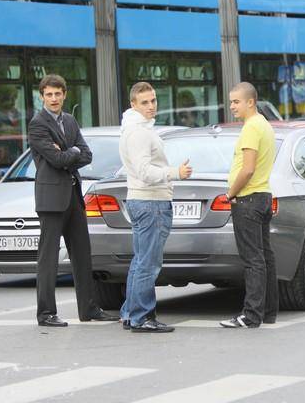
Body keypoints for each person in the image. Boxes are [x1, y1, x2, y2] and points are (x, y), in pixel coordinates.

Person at [28, 74, 116, 327]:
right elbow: (55, 161)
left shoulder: (69, 120)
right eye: (49, 94)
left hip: (74, 195)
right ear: (42, 96)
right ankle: (46, 313)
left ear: (64, 95)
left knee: (82, 254)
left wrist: (69, 151)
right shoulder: (38, 124)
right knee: (48, 258)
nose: (54, 99)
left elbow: (86, 154)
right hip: (50, 199)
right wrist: (72, 152)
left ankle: (89, 309)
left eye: (58, 94)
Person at [119, 82, 192, 333]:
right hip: (151, 201)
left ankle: (131, 312)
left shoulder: (133, 128)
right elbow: (144, 171)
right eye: (144, 102)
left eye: (153, 101)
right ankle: (142, 316)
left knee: (140, 261)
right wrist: (176, 173)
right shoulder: (139, 132)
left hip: (142, 200)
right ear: (133, 105)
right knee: (149, 264)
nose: (151, 106)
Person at [220, 82, 277, 329]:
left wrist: (231, 193)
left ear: (250, 102)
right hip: (262, 196)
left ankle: (251, 315)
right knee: (265, 257)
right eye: (231, 101)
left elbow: (248, 168)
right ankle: (268, 312)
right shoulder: (264, 124)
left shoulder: (251, 128)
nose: (231, 106)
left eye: (236, 101)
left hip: (248, 198)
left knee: (252, 259)